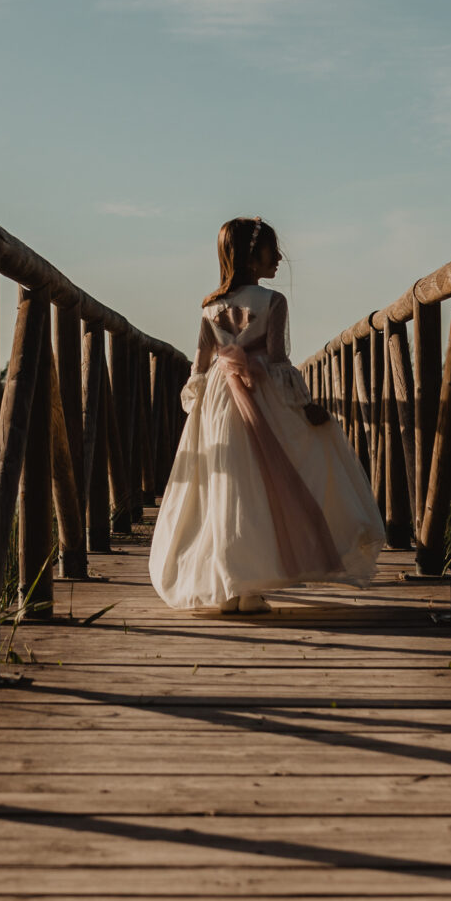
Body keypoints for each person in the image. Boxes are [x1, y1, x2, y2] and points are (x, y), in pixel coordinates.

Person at [148, 218, 385, 612]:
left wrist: (197, 407)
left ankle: (228, 584)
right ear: (250, 257)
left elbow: (201, 367)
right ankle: (250, 585)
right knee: (263, 486)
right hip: (263, 401)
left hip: (218, 404)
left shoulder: (210, 308)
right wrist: (304, 405)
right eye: (271, 251)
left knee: (224, 487)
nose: (278, 258)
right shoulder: (273, 303)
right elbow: (278, 361)